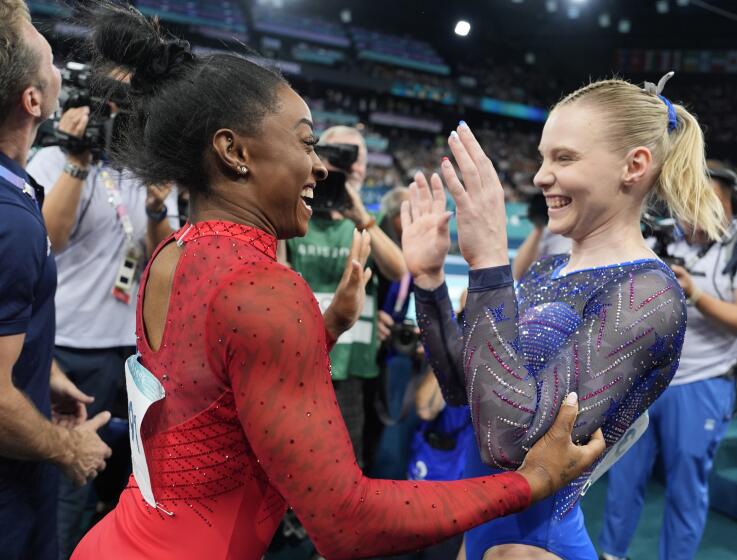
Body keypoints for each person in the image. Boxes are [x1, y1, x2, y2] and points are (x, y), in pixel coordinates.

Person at [71, 5, 605, 559]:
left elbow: (212, 392)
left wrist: (323, 329)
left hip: (122, 539)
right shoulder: (263, 288)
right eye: (305, 143)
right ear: (234, 152)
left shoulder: (171, 252)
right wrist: (532, 481)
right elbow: (347, 522)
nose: (321, 167)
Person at [404, 74, 727, 560]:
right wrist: (428, 283)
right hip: (488, 525)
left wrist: (490, 261)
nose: (539, 176)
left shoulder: (647, 294)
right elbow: (464, 390)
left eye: (564, 158)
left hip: (534, 541)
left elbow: (509, 443)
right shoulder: (549, 267)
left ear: (633, 166)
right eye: (541, 157)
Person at [27, 72, 179, 558]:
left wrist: (158, 210)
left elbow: (164, 267)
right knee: (65, 491)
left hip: (131, 357)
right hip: (67, 353)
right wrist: (77, 160)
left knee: (126, 494)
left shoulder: (146, 173)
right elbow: (49, 241)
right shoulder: (52, 159)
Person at [598, 165, 737, 560]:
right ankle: (611, 554)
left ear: (728, 206)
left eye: (703, 202)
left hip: (703, 381)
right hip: (644, 381)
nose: (691, 214)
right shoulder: (659, 239)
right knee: (624, 478)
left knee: (686, 487)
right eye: (685, 202)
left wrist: (694, 294)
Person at [0, 2, 112, 558]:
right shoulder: (13, 220)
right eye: (49, 58)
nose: (62, 69)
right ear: (33, 100)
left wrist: (42, 370)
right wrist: (67, 449)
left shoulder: (16, 190)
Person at [283, 125, 407, 467]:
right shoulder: (296, 215)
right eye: (341, 154)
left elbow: (399, 269)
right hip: (303, 361)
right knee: (293, 462)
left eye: (358, 157)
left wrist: (361, 218)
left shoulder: (371, 220)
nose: (351, 165)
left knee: (344, 464)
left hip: (353, 365)